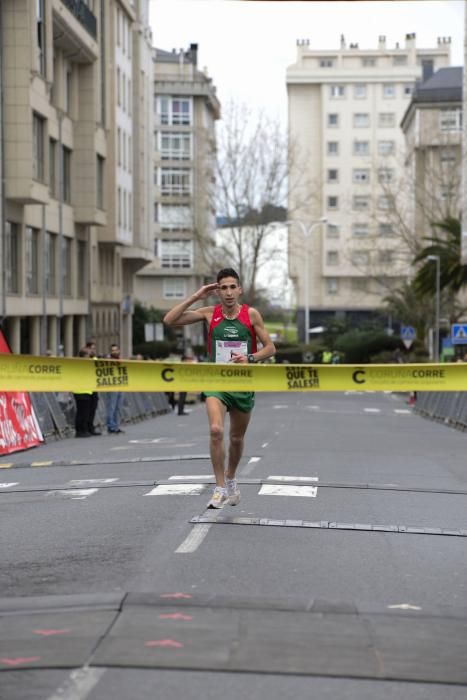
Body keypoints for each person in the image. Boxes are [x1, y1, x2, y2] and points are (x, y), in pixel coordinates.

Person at [163, 268, 276, 508]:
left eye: (232, 287)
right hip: (216, 382)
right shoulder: (209, 313)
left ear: (239, 289)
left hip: (243, 384)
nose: (228, 292)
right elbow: (169, 320)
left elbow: (270, 348)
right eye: (223, 287)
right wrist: (196, 296)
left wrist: (251, 358)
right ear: (217, 291)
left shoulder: (251, 315)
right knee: (216, 430)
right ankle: (219, 487)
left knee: (236, 438)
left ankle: (232, 476)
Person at [73, 348, 94, 437]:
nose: (89, 357)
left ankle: (82, 430)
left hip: (84, 391)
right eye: (88, 356)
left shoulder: (78, 364)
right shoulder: (82, 365)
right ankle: (81, 430)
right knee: (83, 412)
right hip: (82, 391)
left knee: (82, 412)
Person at [105, 343, 124, 434]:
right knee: (111, 407)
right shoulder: (108, 360)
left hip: (120, 385)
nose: (115, 352)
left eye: (116, 350)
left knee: (117, 407)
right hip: (112, 386)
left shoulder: (121, 360)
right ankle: (111, 426)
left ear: (119, 350)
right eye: (113, 350)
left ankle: (115, 425)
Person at [84, 340, 101, 435]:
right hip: (86, 388)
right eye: (92, 349)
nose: (93, 350)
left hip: (94, 387)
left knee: (93, 409)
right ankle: (86, 428)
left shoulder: (95, 358)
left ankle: (91, 427)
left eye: (94, 349)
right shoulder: (84, 359)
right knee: (86, 410)